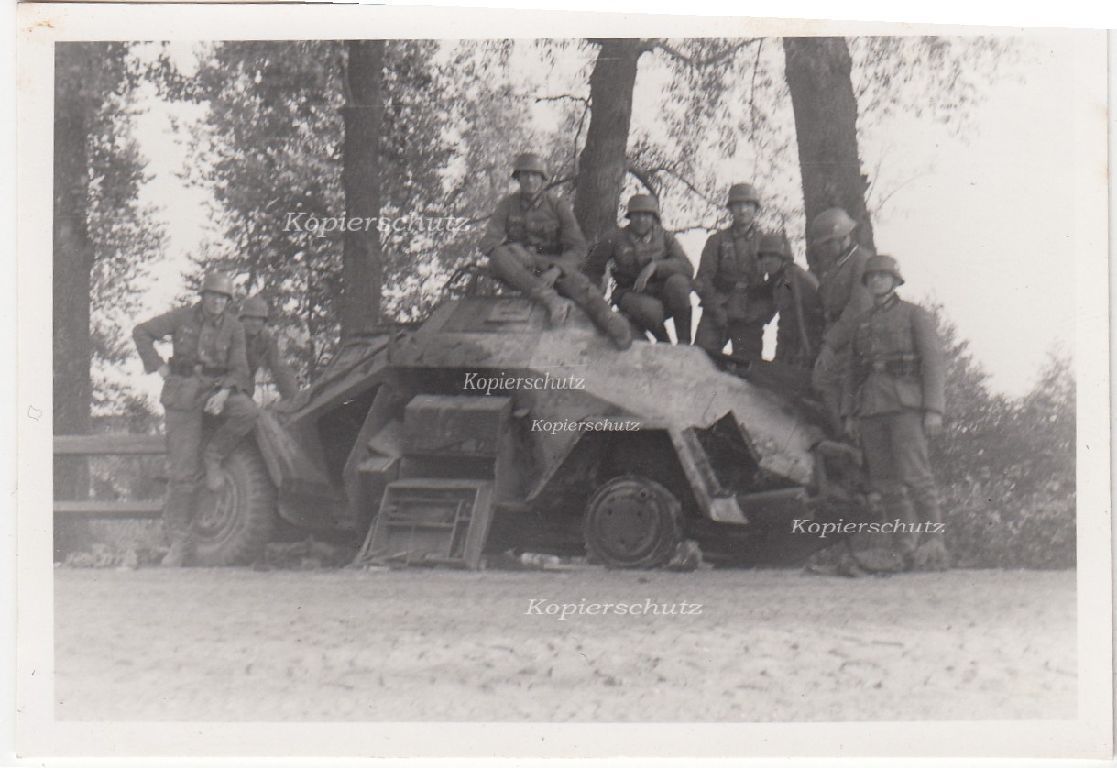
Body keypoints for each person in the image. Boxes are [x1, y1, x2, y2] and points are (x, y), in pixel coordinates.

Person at [133, 270, 258, 567]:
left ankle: (214, 455)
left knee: (248, 411)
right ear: (203, 296)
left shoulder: (234, 327)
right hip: (183, 392)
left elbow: (239, 368)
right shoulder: (181, 318)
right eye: (213, 296)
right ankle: (179, 543)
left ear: (229, 301)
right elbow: (142, 332)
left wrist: (224, 393)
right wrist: (159, 367)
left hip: (216, 389)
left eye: (223, 298)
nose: (218, 302)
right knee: (182, 472)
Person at [841, 255, 949, 571]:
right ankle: (904, 548)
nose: (877, 280)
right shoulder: (861, 322)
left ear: (895, 280)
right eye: (872, 277)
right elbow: (852, 372)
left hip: (906, 406)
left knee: (917, 477)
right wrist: (850, 413)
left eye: (883, 276)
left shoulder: (914, 315)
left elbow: (932, 363)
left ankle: (934, 545)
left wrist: (934, 409)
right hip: (871, 407)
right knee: (886, 482)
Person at [478, 151, 631, 350]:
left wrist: (557, 270)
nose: (530, 180)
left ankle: (610, 320)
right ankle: (550, 300)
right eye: (525, 175)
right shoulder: (507, 205)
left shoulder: (557, 206)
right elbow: (488, 241)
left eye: (535, 175)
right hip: (519, 270)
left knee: (580, 286)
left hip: (552, 267)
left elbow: (578, 248)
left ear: (543, 179)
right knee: (497, 256)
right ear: (518, 178)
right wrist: (510, 247)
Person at [584, 193, 694, 344]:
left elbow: (687, 267)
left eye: (646, 215)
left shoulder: (665, 237)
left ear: (653, 218)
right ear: (630, 217)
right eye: (636, 215)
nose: (641, 219)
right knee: (649, 310)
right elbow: (592, 270)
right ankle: (664, 341)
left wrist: (655, 267)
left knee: (679, 284)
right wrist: (594, 302)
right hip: (631, 294)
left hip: (662, 294)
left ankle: (684, 342)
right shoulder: (614, 238)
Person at [808, 207, 873, 433]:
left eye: (828, 244)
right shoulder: (835, 265)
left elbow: (859, 307)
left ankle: (850, 439)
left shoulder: (862, 261)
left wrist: (830, 343)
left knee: (833, 382)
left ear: (842, 237)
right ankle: (843, 436)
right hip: (838, 333)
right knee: (824, 381)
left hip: (856, 335)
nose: (824, 250)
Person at [694, 182, 773, 361]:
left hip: (749, 313)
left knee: (748, 365)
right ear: (731, 209)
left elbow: (779, 282)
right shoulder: (717, 240)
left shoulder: (765, 242)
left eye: (748, 205)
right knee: (700, 358)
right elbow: (703, 279)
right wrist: (715, 309)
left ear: (756, 209)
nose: (743, 210)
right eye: (738, 205)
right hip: (719, 307)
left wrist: (761, 313)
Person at [756, 232, 824, 369]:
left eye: (772, 256)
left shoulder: (798, 278)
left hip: (811, 346)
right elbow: (785, 322)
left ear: (783, 258)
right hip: (792, 347)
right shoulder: (779, 281)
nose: (767, 261)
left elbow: (821, 312)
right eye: (763, 256)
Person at [239, 294, 299, 400]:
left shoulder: (265, 339)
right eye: (251, 318)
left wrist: (294, 400)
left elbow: (280, 370)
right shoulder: (230, 335)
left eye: (259, 319)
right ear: (242, 319)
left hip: (244, 390)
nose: (255, 323)